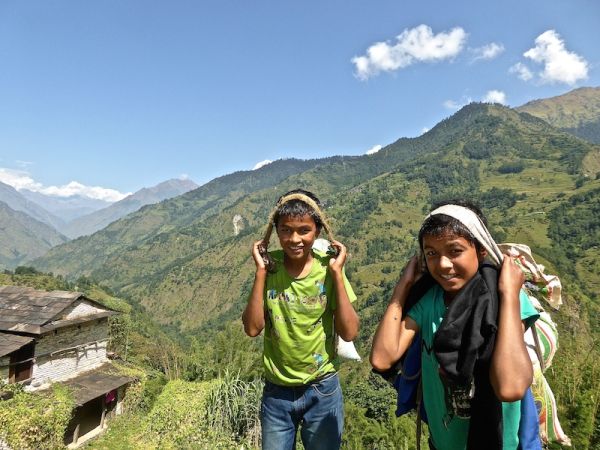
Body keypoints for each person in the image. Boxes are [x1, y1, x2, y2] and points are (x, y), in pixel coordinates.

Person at [370, 200, 539, 450]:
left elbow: (510, 387)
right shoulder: (430, 302)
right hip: (442, 442)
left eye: (455, 251)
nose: (443, 265)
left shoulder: (504, 300)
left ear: (481, 249)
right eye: (432, 254)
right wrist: (402, 288)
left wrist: (510, 295)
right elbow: (382, 359)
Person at [243, 189, 359, 450]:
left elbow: (349, 331)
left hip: (322, 389)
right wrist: (260, 272)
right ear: (276, 231)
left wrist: (338, 275)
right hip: (277, 393)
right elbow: (252, 328)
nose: (294, 239)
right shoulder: (269, 267)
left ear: (316, 231)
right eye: (285, 230)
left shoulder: (328, 268)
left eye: (304, 230)